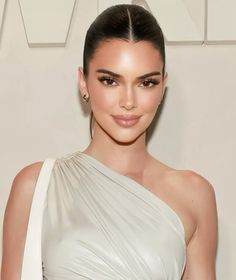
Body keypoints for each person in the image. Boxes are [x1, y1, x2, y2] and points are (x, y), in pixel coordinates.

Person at [1, 4, 218, 280]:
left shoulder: (194, 195)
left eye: (146, 83)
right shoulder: (35, 186)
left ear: (163, 86)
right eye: (110, 81)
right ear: (84, 82)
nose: (128, 102)